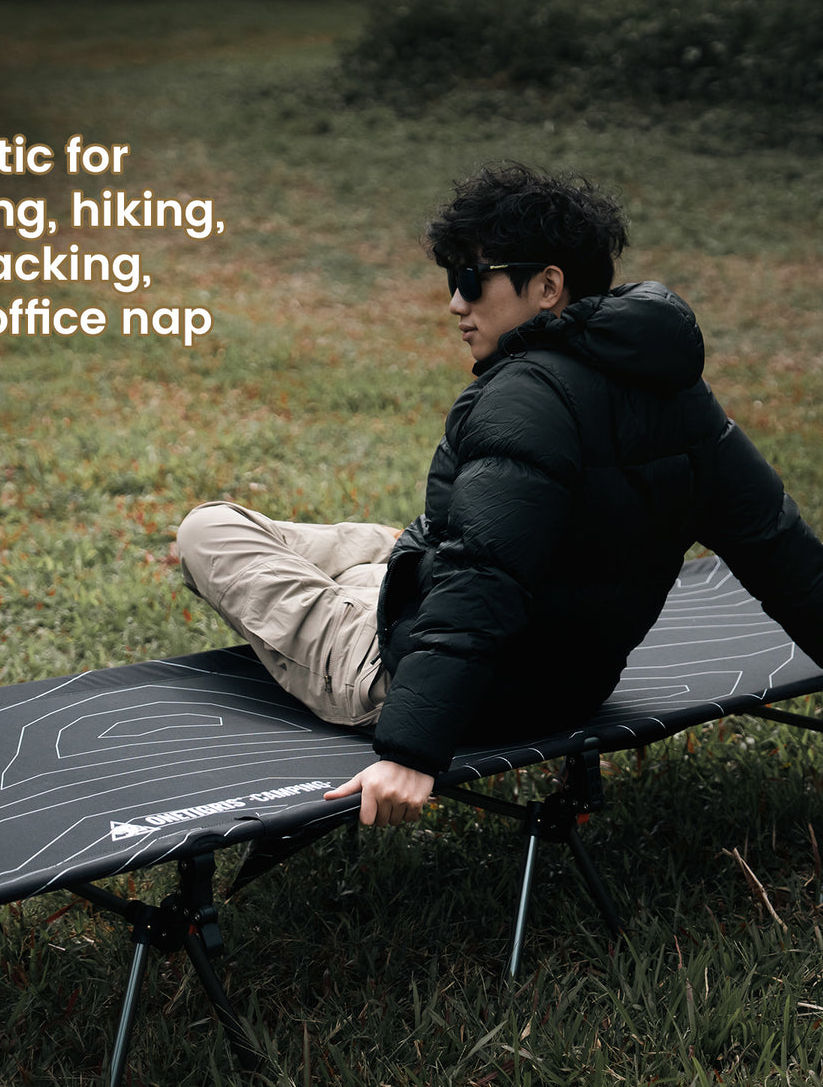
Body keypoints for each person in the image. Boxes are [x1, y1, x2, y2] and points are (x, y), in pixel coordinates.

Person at [176, 163, 823, 828]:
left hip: (442, 687)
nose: (456, 304)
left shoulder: (525, 395)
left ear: (547, 286)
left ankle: (367, 589)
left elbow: (483, 578)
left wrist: (410, 750)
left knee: (209, 529)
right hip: (571, 684)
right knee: (405, 541)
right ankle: (380, 574)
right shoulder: (678, 392)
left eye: (470, 281)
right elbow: (782, 553)